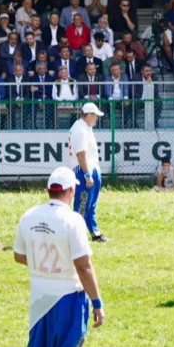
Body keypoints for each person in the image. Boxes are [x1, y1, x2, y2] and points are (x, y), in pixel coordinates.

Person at [13, 167, 105, 347]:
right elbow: (84, 265)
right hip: (69, 296)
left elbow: (19, 255)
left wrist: (41, 267)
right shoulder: (73, 220)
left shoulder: (29, 216)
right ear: (72, 191)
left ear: (48, 190)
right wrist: (97, 301)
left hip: (39, 296)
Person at [69, 102, 107, 242]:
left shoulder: (85, 128)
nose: (97, 118)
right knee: (82, 204)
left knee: (91, 204)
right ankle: (74, 235)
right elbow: (81, 154)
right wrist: (87, 175)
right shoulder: (80, 130)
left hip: (91, 167)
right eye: (95, 116)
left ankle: (95, 233)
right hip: (84, 170)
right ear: (89, 115)